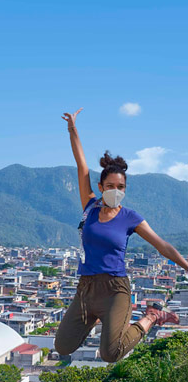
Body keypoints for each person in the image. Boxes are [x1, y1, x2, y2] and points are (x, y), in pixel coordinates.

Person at [55, 108, 187, 363]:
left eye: (121, 187)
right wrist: (72, 129)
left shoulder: (130, 217)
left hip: (116, 289)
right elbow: (81, 164)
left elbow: (162, 245)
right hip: (86, 288)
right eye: (111, 186)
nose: (115, 191)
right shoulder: (90, 206)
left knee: (110, 354)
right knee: (63, 346)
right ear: (101, 187)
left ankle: (152, 316)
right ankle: (93, 319)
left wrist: (186, 265)